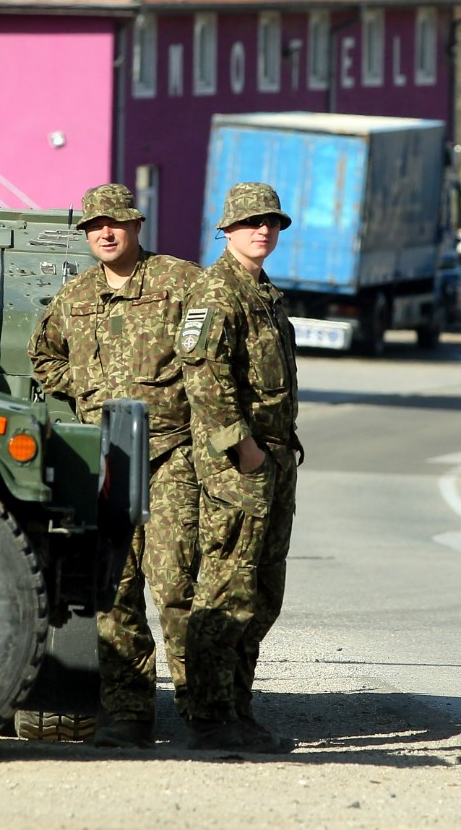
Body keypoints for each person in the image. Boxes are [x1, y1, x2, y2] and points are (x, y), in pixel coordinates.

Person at [28, 183, 201, 748]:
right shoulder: (74, 295)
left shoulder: (179, 282)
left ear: (136, 227)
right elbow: (43, 354)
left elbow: (218, 342)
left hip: (170, 452)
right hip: (106, 461)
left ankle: (205, 711)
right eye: (96, 226)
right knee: (115, 592)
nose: (106, 233)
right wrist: (83, 385)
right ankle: (127, 716)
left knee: (176, 587)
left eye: (117, 224)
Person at [175, 182, 302, 754]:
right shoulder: (215, 290)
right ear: (225, 230)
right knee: (226, 586)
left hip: (275, 456)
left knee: (263, 589)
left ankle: (239, 708)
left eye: (271, 222)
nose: (263, 231)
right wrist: (242, 447)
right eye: (251, 222)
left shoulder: (265, 294)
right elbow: (203, 372)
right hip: (239, 463)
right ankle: (208, 716)